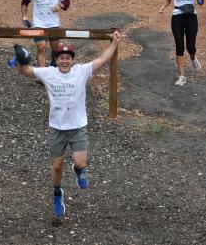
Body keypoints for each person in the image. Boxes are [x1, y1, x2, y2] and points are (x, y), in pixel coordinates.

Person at [14, 31, 124, 217]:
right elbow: (25, 71)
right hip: (57, 128)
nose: (64, 61)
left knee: (80, 162)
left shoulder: (81, 71)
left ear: (72, 60)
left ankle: (78, 169)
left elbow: (101, 60)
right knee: (57, 166)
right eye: (61, 58)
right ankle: (58, 195)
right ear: (56, 60)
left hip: (78, 127)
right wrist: (19, 60)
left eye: (68, 58)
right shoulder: (48, 73)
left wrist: (114, 43)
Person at [158, 0, 205, 87]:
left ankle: (193, 58)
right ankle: (182, 76)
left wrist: (200, 0)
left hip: (191, 17)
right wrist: (163, 7)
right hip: (177, 16)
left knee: (190, 46)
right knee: (179, 45)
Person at [21, 0, 70, 67]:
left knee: (56, 49)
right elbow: (24, 2)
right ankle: (42, 74)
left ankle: (53, 63)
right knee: (41, 47)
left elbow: (67, 1)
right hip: (39, 23)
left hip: (53, 23)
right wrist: (24, 16)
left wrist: (60, 6)